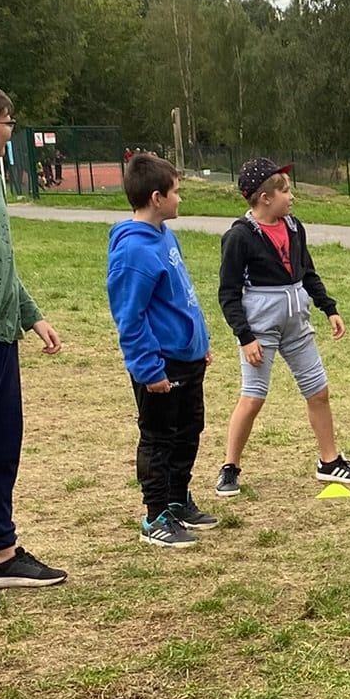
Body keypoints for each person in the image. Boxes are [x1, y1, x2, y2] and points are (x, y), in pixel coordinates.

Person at [0, 76, 67, 612]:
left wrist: (32, 316)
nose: (11, 131)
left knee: (3, 448)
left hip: (2, 337)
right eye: (8, 123)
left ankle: (0, 554)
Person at [213, 158, 350, 496]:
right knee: (253, 398)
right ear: (265, 198)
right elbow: (228, 293)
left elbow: (307, 270)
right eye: (285, 191)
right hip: (260, 328)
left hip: (297, 323)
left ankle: (329, 462)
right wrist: (246, 337)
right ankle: (229, 467)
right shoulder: (239, 236)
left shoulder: (294, 227)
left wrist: (328, 307)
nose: (292, 196)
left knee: (318, 391)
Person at [106, 153, 216, 549]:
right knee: (158, 438)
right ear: (157, 197)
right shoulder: (133, 252)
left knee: (189, 430)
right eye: (176, 192)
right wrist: (148, 369)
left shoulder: (165, 235)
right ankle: (155, 516)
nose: (180, 199)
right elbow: (129, 317)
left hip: (188, 359)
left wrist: (201, 342)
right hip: (161, 364)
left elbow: (181, 295)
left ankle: (177, 499)